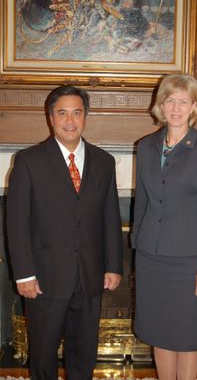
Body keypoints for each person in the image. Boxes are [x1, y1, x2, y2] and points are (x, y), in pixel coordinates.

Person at [7, 85, 123, 380]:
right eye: (62, 113)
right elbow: (16, 222)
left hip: (90, 275)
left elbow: (111, 217)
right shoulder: (28, 161)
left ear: (85, 117)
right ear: (50, 118)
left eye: (76, 113)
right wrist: (24, 274)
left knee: (84, 354)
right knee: (43, 356)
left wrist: (113, 265)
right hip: (44, 279)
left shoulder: (104, 162)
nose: (69, 120)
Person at [131, 74, 197, 380]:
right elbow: (143, 201)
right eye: (170, 100)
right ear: (160, 105)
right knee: (160, 333)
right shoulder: (146, 147)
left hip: (191, 260)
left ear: (193, 106)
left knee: (186, 336)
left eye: (183, 101)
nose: (176, 108)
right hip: (152, 257)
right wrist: (138, 243)